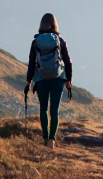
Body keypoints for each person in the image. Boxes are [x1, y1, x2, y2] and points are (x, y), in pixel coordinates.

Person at [25, 13, 72, 148]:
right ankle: (52, 139)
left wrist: (29, 82)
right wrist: (69, 79)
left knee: (43, 109)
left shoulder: (36, 42)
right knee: (54, 111)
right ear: (54, 25)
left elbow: (32, 63)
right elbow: (68, 61)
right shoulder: (60, 40)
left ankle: (45, 137)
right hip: (58, 79)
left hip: (41, 80)